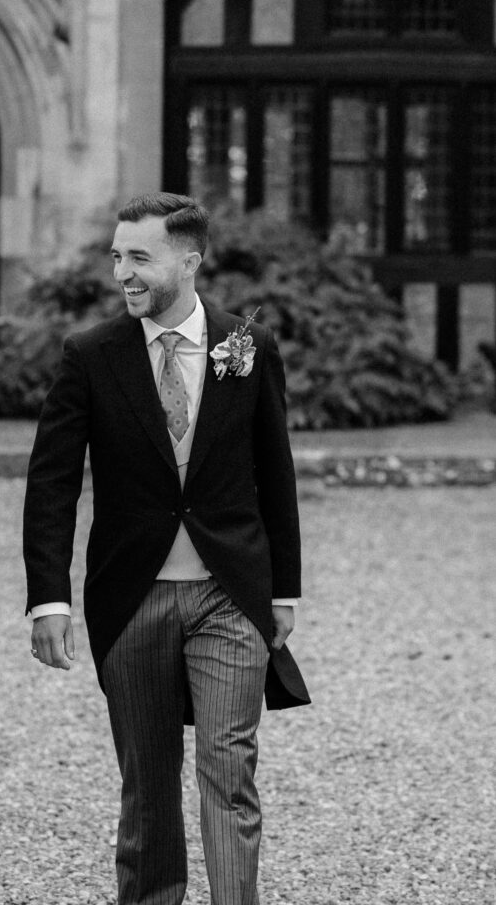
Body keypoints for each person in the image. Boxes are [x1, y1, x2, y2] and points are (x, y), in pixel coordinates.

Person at [23, 192, 309, 905]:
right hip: (132, 596)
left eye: (139, 258)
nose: (122, 272)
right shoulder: (90, 355)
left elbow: (274, 470)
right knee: (148, 785)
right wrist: (48, 599)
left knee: (229, 769)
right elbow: (52, 483)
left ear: (189, 260)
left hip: (228, 593)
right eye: (116, 256)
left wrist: (284, 589)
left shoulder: (248, 346)